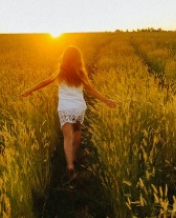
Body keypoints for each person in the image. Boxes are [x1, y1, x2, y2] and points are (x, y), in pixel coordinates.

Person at [20, 46, 117, 179]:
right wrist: (107, 101)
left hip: (65, 107)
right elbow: (91, 90)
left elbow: (45, 82)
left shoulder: (60, 72)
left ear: (64, 59)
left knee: (67, 137)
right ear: (78, 59)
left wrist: (29, 90)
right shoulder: (81, 74)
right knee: (77, 133)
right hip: (78, 107)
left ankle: (70, 165)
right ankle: (75, 157)